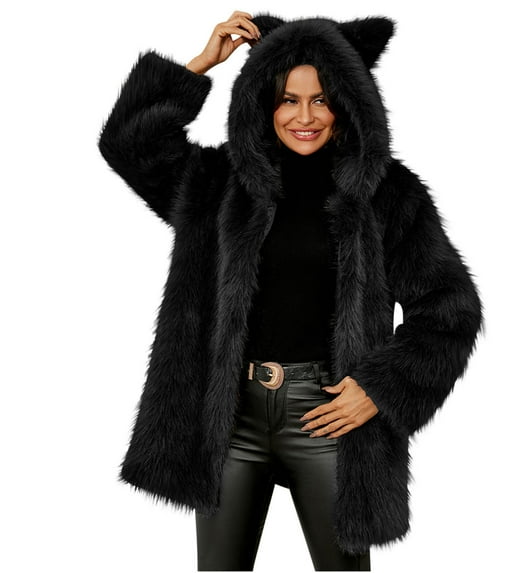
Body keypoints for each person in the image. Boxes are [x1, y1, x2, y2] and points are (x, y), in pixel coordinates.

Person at [97, 11, 483, 572]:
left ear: (347, 104)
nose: (305, 117)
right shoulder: (219, 183)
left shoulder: (385, 194)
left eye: (321, 100)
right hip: (231, 415)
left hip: (327, 414)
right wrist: (201, 64)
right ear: (263, 102)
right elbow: (129, 145)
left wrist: (381, 388)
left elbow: (450, 309)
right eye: (288, 100)